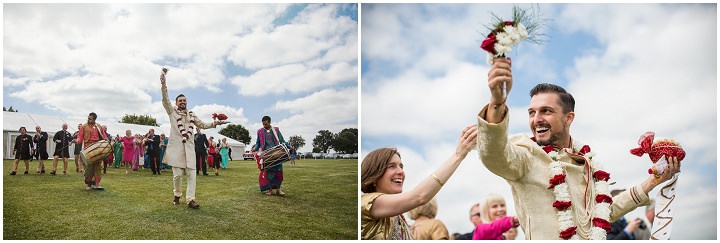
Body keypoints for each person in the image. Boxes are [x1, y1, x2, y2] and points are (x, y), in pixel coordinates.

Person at [475, 58, 682, 240]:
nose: (536, 119)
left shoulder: (586, 161)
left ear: (569, 118)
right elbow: (494, 154)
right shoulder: (526, 154)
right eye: (532, 112)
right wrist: (496, 102)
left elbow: (602, 213)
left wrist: (651, 183)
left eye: (546, 111)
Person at [360, 125, 478, 240]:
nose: (401, 171)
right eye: (391, 166)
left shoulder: (399, 217)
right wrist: (458, 155)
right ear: (374, 175)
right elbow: (420, 197)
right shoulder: (367, 203)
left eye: (401, 166)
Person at [160, 68, 226, 209]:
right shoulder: (172, 112)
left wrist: (215, 123)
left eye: (184, 100)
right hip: (176, 148)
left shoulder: (192, 114)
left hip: (190, 149)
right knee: (177, 175)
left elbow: (202, 124)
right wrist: (164, 84)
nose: (183, 102)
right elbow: (165, 100)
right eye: (180, 100)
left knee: (192, 175)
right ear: (177, 102)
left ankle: (191, 199)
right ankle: (177, 195)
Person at [251, 116, 290, 196]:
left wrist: (289, 146)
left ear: (269, 122)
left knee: (279, 173)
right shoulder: (260, 132)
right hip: (266, 155)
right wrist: (255, 148)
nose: (264, 125)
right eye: (263, 124)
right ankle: (270, 190)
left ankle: (279, 190)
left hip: (277, 153)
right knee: (269, 173)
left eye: (266, 124)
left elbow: (282, 141)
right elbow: (258, 143)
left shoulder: (276, 130)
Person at [77, 112, 109, 190]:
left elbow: (104, 136)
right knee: (89, 167)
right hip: (88, 149)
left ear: (94, 119)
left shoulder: (99, 126)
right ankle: (89, 185)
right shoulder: (83, 127)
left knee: (98, 166)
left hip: (97, 149)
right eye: (88, 118)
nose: (88, 120)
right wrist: (77, 140)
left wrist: (107, 142)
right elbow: (80, 138)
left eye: (90, 119)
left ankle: (97, 184)